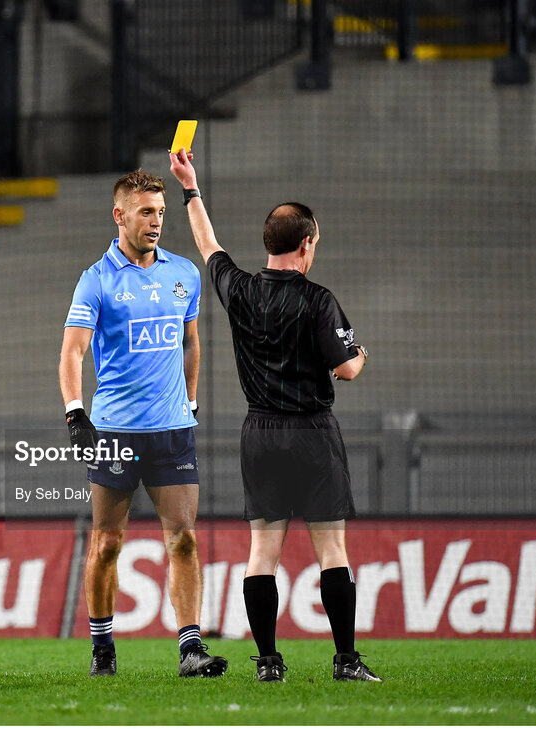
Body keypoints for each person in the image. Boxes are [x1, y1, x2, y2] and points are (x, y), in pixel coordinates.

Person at [167, 149, 381, 683]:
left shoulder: (238, 289)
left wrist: (190, 188)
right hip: (312, 432)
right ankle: (346, 660)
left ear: (269, 243)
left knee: (262, 552)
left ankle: (267, 662)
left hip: (259, 433)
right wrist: (359, 356)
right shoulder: (318, 299)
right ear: (306, 244)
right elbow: (348, 368)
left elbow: (206, 244)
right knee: (331, 548)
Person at [58, 169, 228, 678]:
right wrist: (75, 412)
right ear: (120, 216)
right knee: (107, 543)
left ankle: (191, 650)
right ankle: (103, 649)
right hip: (114, 433)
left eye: (161, 212)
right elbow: (73, 351)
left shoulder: (183, 274)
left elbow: (191, 341)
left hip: (172, 432)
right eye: (146, 212)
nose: (156, 222)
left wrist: (191, 402)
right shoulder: (97, 279)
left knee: (184, 540)